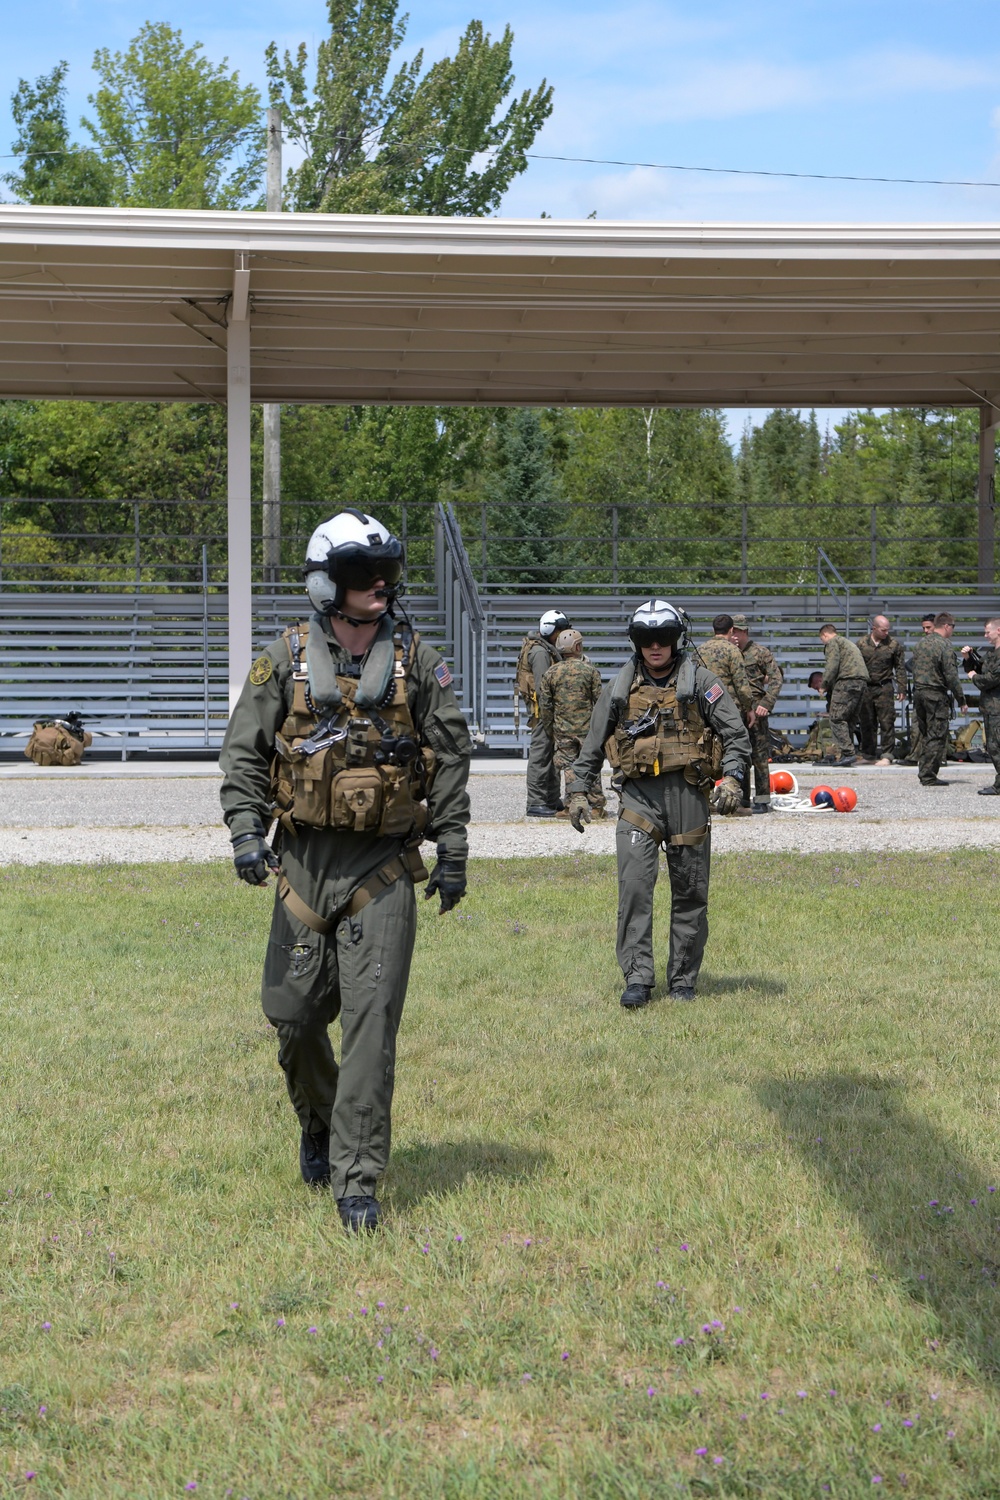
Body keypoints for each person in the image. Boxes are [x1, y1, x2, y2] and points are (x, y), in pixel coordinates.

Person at [219, 509, 471, 1234]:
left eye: (387, 572)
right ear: (330, 585)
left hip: (382, 868)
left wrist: (452, 848)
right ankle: (320, 1122)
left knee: (371, 1024)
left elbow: (449, 756)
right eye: (364, 575)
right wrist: (245, 833)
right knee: (293, 1020)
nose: (381, 586)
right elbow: (243, 755)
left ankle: (357, 1179)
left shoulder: (419, 662)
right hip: (301, 864)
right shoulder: (282, 659)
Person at [566, 599, 750, 1009]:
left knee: (690, 891)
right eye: (646, 639)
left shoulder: (702, 683)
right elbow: (593, 744)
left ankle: (683, 980)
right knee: (633, 889)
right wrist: (578, 790)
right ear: (636, 642)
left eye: (663, 638)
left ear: (675, 640)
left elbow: (736, 736)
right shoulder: (619, 687)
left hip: (688, 796)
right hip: (638, 800)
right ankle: (637, 978)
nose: (655, 647)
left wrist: (733, 778)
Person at [538, 628, 606, 817]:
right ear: (577, 646)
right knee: (591, 763)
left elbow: (545, 704)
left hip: (562, 728)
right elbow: (599, 701)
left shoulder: (551, 673)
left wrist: (549, 727)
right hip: (587, 729)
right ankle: (597, 806)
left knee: (568, 766)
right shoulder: (590, 671)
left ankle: (570, 805)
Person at [516, 608, 570, 816]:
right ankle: (536, 802)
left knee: (550, 756)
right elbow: (543, 687)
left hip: (547, 712)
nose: (563, 634)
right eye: (561, 630)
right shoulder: (539, 652)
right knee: (540, 756)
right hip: (543, 714)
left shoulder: (542, 648)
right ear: (551, 631)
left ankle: (551, 798)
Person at [729, 613, 783, 813]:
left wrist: (767, 702)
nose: (734, 635)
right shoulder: (727, 652)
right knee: (739, 755)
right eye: (731, 631)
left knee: (759, 756)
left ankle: (761, 799)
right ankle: (742, 799)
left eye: (737, 631)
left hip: (757, 710)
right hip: (735, 711)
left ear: (745, 631)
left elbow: (777, 678)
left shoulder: (760, 652)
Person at [910, 611, 967, 786]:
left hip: (919, 693)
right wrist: (961, 699)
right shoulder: (944, 646)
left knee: (926, 734)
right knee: (937, 735)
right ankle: (928, 775)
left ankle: (924, 771)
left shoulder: (920, 644)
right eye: (953, 627)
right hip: (935, 695)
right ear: (947, 626)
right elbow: (951, 676)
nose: (952, 631)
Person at [856, 615, 906, 765]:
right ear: (874, 628)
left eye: (887, 630)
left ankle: (887, 754)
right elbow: (855, 665)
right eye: (883, 630)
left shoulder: (893, 645)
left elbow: (900, 668)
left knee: (887, 721)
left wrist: (902, 687)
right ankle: (868, 754)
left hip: (885, 686)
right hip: (866, 687)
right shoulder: (862, 644)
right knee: (867, 722)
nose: (886, 633)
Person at [818, 622, 869, 766]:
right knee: (850, 720)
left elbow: (832, 664)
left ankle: (848, 753)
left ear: (825, 635)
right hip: (861, 682)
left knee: (836, 717)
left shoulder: (833, 642)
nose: (823, 642)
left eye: (822, 639)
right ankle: (847, 754)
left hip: (847, 681)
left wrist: (824, 684)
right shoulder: (848, 643)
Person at [962, 616, 1000, 796]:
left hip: (997, 709)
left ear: (998, 631)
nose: (985, 635)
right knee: (993, 746)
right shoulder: (992, 654)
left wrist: (973, 677)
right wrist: (968, 658)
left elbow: (990, 680)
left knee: (995, 746)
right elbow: (978, 667)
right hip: (991, 708)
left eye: (988, 632)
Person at [696, 614, 753, 718]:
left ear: (714, 630)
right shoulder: (733, 650)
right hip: (728, 709)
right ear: (731, 630)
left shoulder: (699, 650)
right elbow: (742, 686)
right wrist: (749, 708)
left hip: (704, 708)